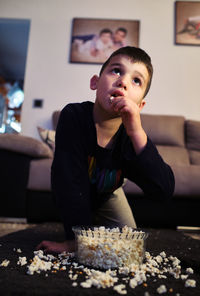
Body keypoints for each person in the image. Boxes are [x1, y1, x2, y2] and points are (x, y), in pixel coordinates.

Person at [37, 46, 175, 253]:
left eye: (136, 80)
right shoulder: (74, 116)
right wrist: (75, 241)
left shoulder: (130, 138)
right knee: (84, 240)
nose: (123, 82)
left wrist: (136, 130)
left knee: (130, 245)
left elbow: (162, 190)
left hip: (109, 193)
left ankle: (96, 228)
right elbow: (68, 182)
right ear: (95, 82)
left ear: (140, 106)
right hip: (75, 191)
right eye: (116, 71)